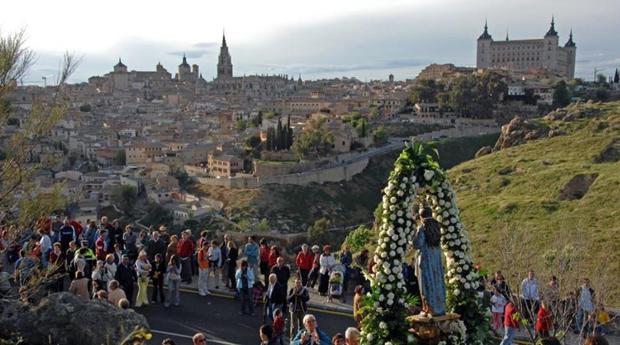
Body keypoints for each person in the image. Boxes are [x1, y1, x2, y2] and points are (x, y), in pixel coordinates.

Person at [412, 207, 446, 315]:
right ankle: (439, 307)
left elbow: (417, 244)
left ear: (421, 216)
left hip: (425, 259)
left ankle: (428, 308)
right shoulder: (437, 226)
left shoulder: (422, 227)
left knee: (426, 284)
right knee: (437, 282)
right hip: (436, 258)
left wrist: (411, 239)